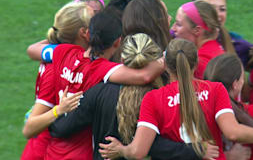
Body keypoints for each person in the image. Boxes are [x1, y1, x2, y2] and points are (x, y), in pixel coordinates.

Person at [98, 38, 253, 160]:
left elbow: (138, 151)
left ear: (165, 65)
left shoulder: (153, 99)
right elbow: (233, 133)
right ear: (196, 63)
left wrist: (121, 150)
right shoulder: (215, 90)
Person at [49, 33, 217, 160]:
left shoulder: (99, 92)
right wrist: (196, 151)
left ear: (123, 59)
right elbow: (154, 145)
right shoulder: (161, 96)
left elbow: (60, 128)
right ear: (158, 58)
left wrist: (61, 109)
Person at [26, 8, 165, 160]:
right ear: (117, 42)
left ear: (88, 34)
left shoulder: (63, 52)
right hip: (81, 154)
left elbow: (33, 50)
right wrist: (168, 57)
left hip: (53, 152)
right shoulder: (102, 70)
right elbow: (144, 76)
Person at [21, 1, 93, 160]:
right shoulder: (55, 68)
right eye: (93, 21)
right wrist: (58, 110)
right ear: (83, 33)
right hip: (44, 151)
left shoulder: (60, 57)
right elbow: (29, 128)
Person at [192, 0, 253, 67]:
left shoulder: (238, 45)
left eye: (222, 9)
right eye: (210, 8)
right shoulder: (178, 37)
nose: (217, 14)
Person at [171, 0, 231, 79]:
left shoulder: (198, 64)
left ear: (197, 30)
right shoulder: (216, 49)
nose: (173, 28)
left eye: (178, 24)